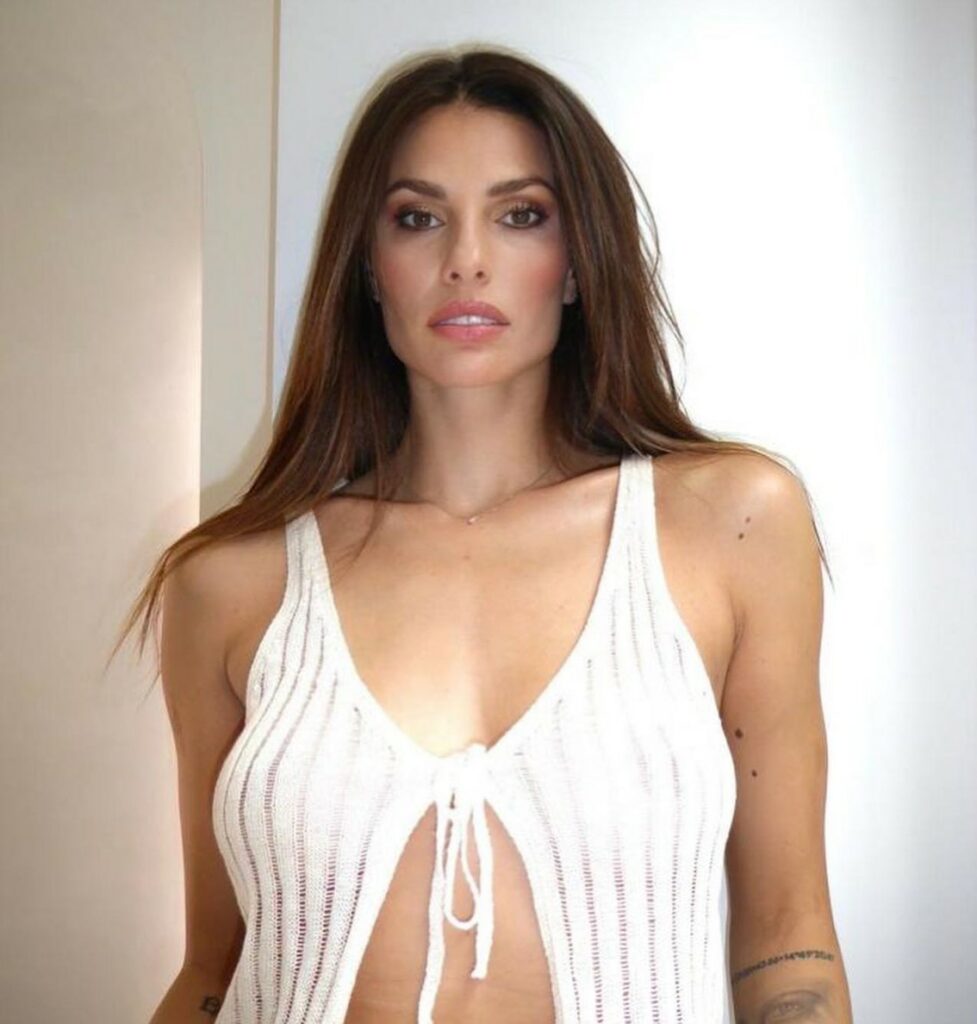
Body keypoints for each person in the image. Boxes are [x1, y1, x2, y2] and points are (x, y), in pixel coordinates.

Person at [125, 43, 852, 1024]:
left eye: (520, 215)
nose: (465, 259)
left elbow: (787, 944)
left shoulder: (730, 524)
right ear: (368, 268)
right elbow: (214, 972)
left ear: (575, 265)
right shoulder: (230, 581)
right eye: (416, 218)